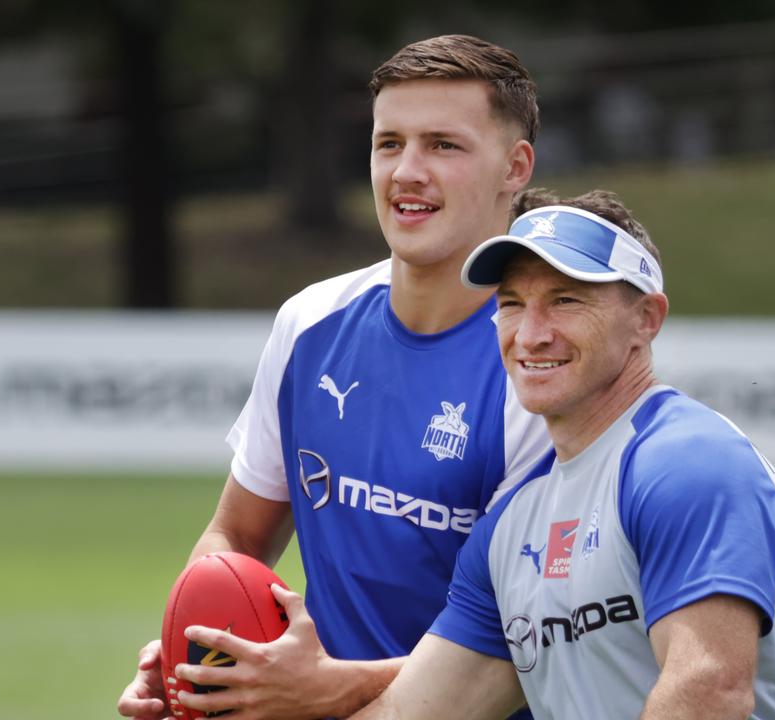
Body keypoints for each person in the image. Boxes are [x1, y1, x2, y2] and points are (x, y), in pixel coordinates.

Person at [117, 35, 551, 720]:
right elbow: (234, 536)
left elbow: (534, 641)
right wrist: (203, 651)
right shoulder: (310, 322)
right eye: (389, 143)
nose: (407, 170)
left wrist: (328, 686)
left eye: (444, 145)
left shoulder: (542, 364)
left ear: (514, 166)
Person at [350, 189, 775, 719]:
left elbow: (707, 693)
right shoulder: (510, 523)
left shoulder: (688, 462)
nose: (530, 335)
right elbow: (409, 713)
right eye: (511, 305)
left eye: (566, 300)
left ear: (646, 318)